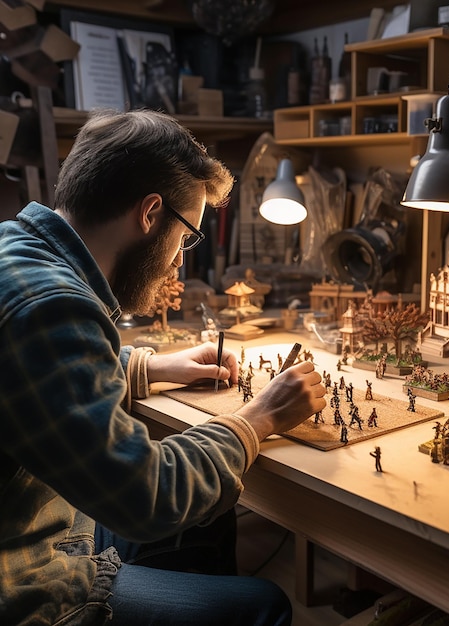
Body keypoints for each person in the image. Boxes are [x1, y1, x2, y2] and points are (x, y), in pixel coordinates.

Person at [0, 109, 327, 626]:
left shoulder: (18, 252)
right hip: (27, 582)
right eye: (187, 236)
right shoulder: (54, 307)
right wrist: (259, 418)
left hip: (34, 521)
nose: (180, 261)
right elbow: (147, 497)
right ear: (150, 214)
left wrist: (152, 367)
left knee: (207, 517)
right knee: (263, 607)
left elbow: (39, 378)